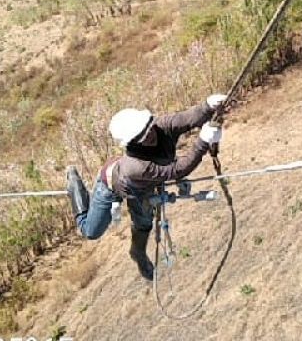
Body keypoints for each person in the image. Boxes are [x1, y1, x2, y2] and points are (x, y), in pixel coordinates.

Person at [67, 94, 226, 280]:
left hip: (142, 188)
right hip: (111, 186)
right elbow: (176, 171)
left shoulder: (161, 125)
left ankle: (138, 254)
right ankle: (73, 183)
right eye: (141, 137)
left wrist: (207, 106)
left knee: (144, 224)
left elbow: (189, 117)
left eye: (148, 129)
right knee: (90, 231)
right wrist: (202, 143)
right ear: (132, 142)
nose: (149, 135)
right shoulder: (135, 166)